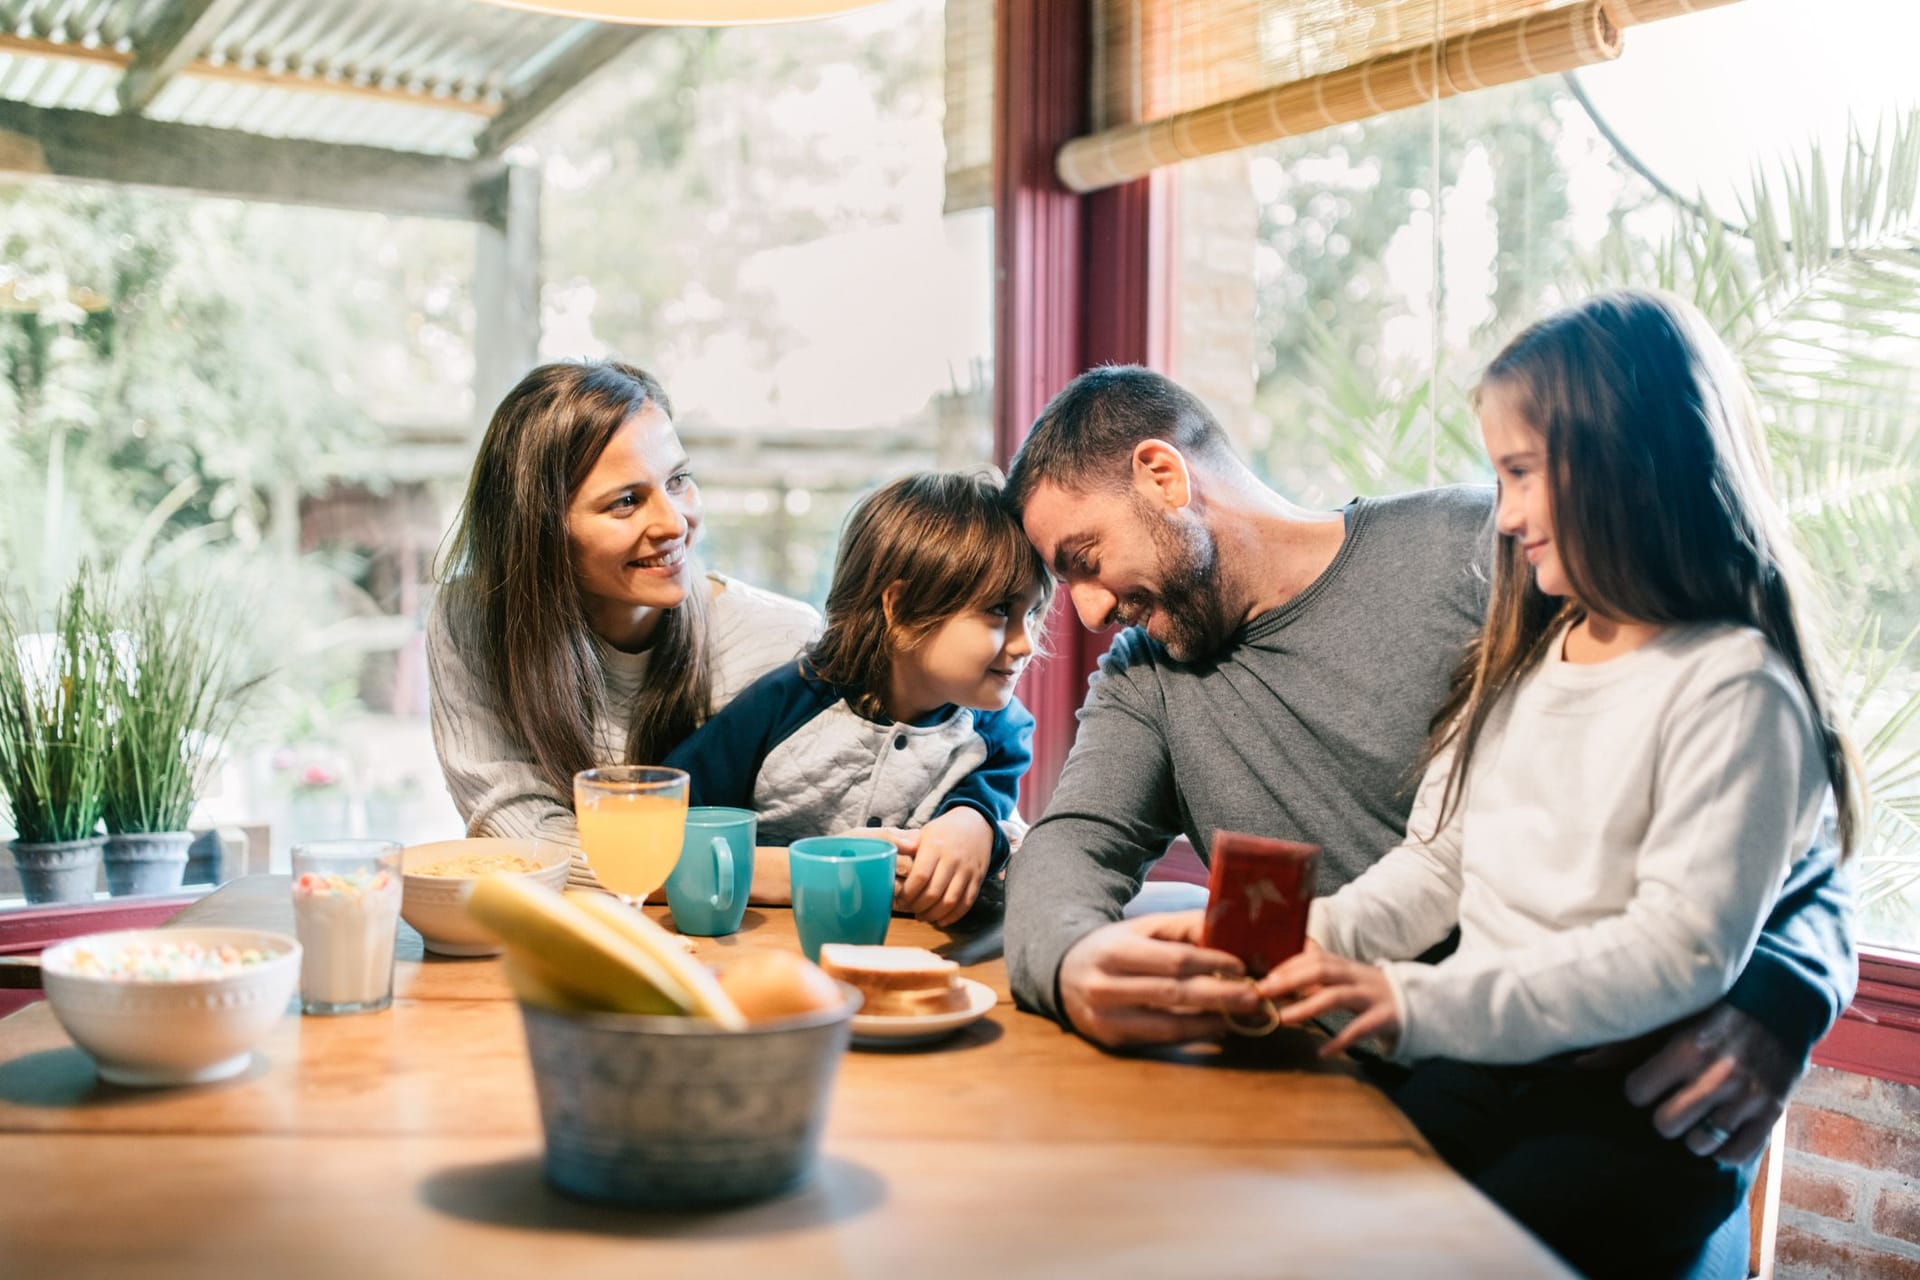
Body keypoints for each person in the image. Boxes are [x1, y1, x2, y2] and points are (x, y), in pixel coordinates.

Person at [1000, 360, 1853, 1273]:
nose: (1086, 612)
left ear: (1162, 476)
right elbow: (1071, 847)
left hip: (1607, 1106)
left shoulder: (1479, 548)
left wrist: (1784, 987)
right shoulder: (1145, 675)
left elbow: (1780, 797)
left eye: (1084, 562)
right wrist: (1074, 961)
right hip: (1367, 1097)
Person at [1248, 289, 1856, 1275]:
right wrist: (1304, 943)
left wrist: (1415, 1001)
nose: (1504, 513)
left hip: (1624, 1113)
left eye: (1521, 473)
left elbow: (1677, 951)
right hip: (1484, 1064)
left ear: (1629, 465)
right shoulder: (1534, 655)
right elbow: (1440, 859)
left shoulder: (1735, 687)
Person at [427, 360, 998, 897]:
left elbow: (933, 771)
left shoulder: (782, 640)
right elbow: (521, 841)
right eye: (626, 502)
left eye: (678, 480)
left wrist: (975, 818)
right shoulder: (472, 622)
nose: (674, 522)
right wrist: (784, 871)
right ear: (538, 529)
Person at [665, 470, 1047, 926]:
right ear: (900, 608)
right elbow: (671, 821)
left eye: (1036, 611)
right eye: (1000, 610)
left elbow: (989, 801)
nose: (1026, 644)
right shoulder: (785, 704)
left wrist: (974, 823)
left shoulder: (1001, 731)